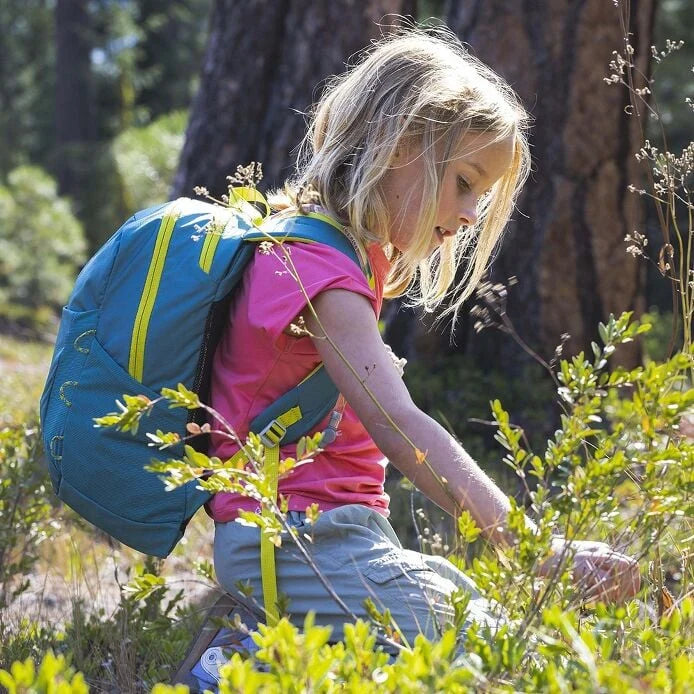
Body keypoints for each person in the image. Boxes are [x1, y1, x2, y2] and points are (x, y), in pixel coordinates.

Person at [208, 27, 640, 647]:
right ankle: (233, 661)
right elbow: (399, 424)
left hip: (332, 539)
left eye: (481, 196)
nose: (470, 215)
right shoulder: (320, 270)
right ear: (398, 146)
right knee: (503, 654)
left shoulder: (338, 256)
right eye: (464, 182)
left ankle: (257, 646)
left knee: (505, 633)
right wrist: (534, 547)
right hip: (294, 542)